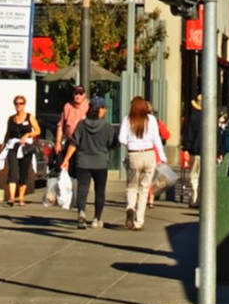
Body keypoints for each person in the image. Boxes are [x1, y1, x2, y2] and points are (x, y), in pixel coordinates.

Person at [60, 97, 115, 229]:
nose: (105, 110)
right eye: (104, 108)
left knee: (82, 189)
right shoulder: (107, 127)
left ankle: (82, 212)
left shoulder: (81, 125)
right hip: (100, 162)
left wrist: (66, 159)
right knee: (100, 191)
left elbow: (74, 143)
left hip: (83, 162)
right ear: (100, 110)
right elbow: (113, 143)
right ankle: (97, 218)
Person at [119, 97, 166, 230]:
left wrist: (131, 144)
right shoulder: (151, 120)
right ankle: (139, 221)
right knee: (144, 189)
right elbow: (156, 139)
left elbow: (121, 138)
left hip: (134, 155)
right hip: (149, 154)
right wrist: (162, 156)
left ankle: (130, 207)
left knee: (132, 186)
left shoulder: (127, 120)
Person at [1, 95, 40, 206]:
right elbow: (8, 133)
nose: (19, 105)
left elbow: (37, 130)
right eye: (17, 103)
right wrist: (4, 145)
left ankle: (21, 197)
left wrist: (28, 134)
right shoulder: (11, 118)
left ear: (24, 104)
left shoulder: (29, 117)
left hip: (25, 147)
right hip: (13, 146)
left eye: (21, 103)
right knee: (13, 171)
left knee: (24, 171)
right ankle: (12, 197)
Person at [179, 99, 205, 208]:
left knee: (194, 176)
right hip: (208, 153)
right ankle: (202, 199)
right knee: (204, 177)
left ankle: (195, 198)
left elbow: (189, 135)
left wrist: (187, 148)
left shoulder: (193, 118)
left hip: (195, 151)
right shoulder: (211, 118)